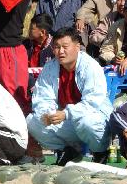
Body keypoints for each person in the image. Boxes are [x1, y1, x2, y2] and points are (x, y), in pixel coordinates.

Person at [27, 27, 113, 165]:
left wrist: (66, 114)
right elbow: (42, 97)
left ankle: (100, 152)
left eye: (65, 47)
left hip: (94, 118)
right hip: (67, 121)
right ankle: (67, 151)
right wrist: (49, 114)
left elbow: (92, 102)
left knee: (86, 122)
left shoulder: (91, 66)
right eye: (56, 47)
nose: (60, 51)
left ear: (77, 46)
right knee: (33, 121)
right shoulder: (50, 67)